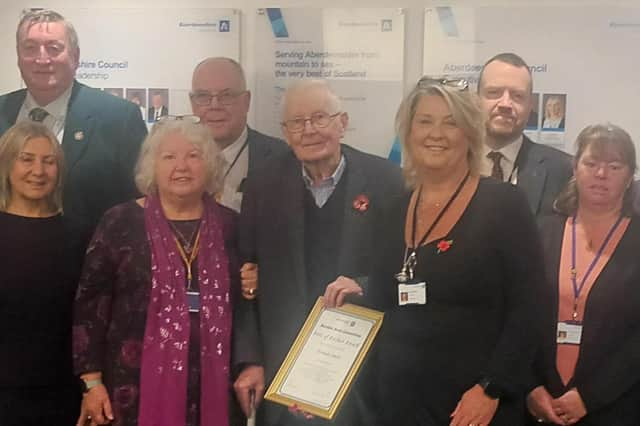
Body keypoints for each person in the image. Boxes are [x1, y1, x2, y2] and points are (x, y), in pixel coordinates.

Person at [345, 77, 545, 425]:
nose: (435, 133)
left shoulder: (503, 205)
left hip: (473, 409)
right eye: (424, 121)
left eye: (450, 122)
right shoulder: (393, 210)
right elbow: (381, 303)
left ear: (469, 133)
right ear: (408, 132)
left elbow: (529, 309)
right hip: (398, 406)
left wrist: (491, 388)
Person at [233, 80, 404, 425]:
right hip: (283, 367)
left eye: (319, 118)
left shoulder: (388, 181)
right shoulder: (262, 186)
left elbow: (404, 269)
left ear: (342, 122)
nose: (308, 130)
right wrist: (251, 359)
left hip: (362, 369)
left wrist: (363, 284)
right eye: (296, 122)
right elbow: (246, 277)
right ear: (285, 132)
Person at [73, 118, 238, 426]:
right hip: (130, 385)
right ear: (152, 166)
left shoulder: (232, 227)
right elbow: (90, 305)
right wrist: (91, 383)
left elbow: (247, 304)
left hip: (216, 384)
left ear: (211, 166)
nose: (182, 166)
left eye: (193, 155)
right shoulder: (119, 222)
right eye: (169, 157)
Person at [527, 124, 640, 425]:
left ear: (630, 177)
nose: (601, 174)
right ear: (575, 167)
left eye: (614, 166)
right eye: (591, 163)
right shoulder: (541, 231)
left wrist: (590, 397)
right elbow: (518, 314)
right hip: (540, 404)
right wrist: (531, 388)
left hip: (616, 406)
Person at [0, 9, 147, 234]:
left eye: (54, 48)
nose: (42, 59)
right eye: (30, 48)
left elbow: (140, 205)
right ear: (18, 56)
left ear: (75, 57)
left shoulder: (119, 118)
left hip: (88, 264)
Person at [0, 121, 84, 425]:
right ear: (7, 165)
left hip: (63, 393)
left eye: (49, 161)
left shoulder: (80, 236)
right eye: (27, 159)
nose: (39, 170)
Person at [477, 52, 572, 219]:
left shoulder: (564, 171)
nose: (505, 104)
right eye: (494, 92)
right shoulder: (449, 164)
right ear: (476, 100)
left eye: (517, 96)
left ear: (530, 107)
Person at [190, 57, 288, 213]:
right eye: (203, 96)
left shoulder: (283, 159)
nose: (215, 106)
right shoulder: (172, 162)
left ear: (246, 101)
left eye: (226, 96)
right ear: (193, 103)